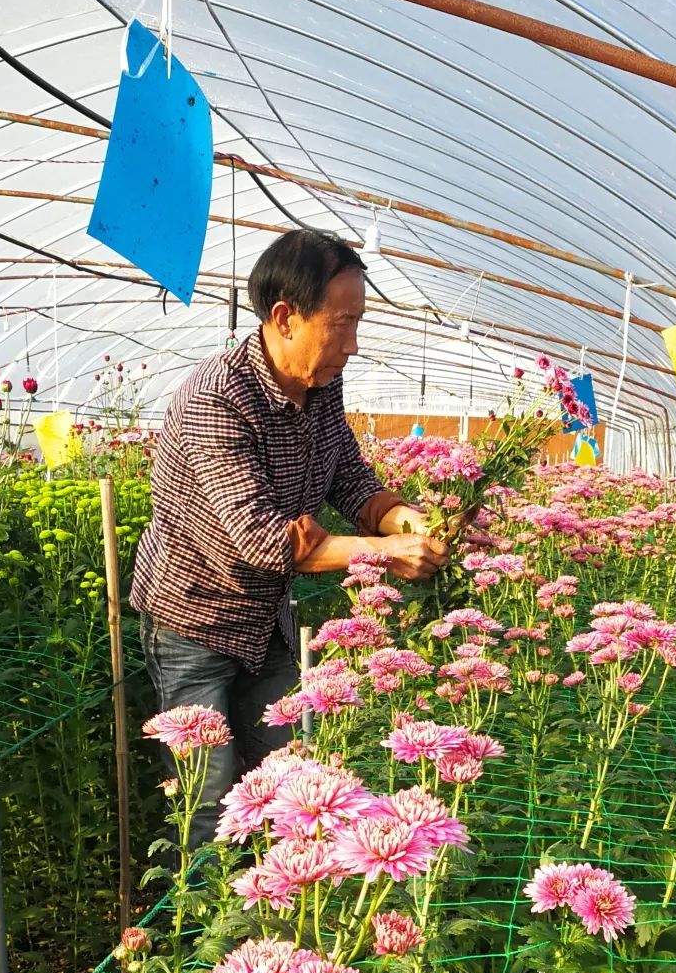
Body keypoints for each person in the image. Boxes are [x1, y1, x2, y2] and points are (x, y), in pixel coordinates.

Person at [131, 228, 444, 842]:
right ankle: (198, 934)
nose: (352, 345)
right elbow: (261, 538)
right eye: (342, 324)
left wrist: (410, 523)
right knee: (208, 802)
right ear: (285, 317)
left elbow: (349, 478)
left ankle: (275, 917)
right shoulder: (216, 399)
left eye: (358, 324)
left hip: (265, 619)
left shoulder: (321, 385)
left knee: (286, 782)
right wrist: (387, 553)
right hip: (193, 623)